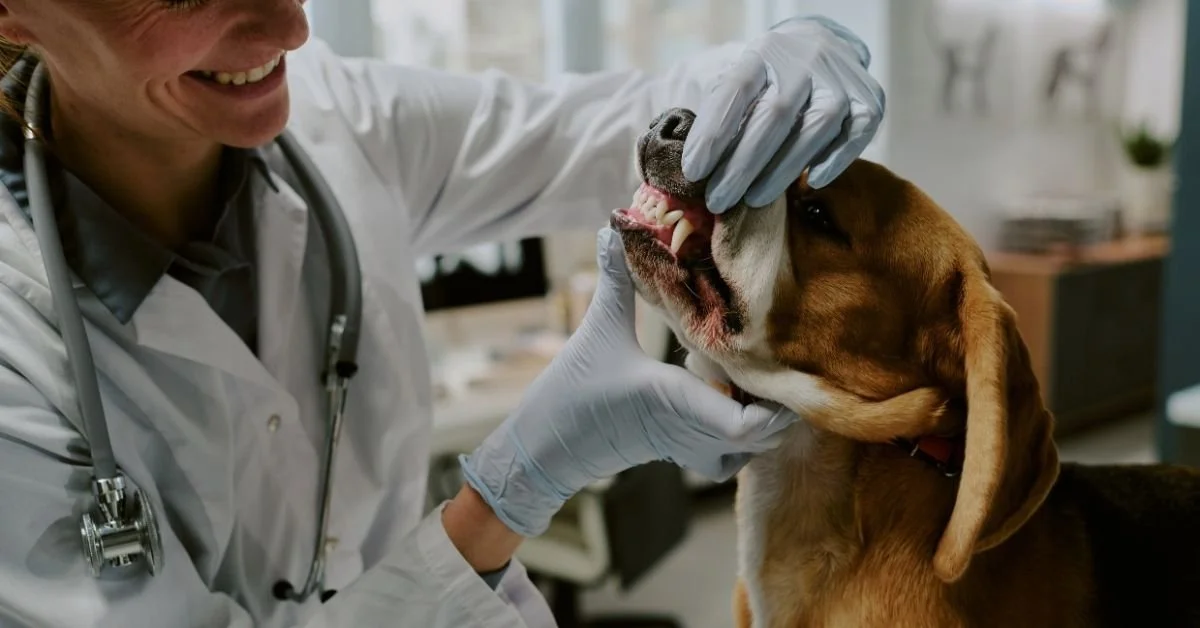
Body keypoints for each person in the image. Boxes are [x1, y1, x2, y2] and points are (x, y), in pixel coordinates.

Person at [0, 2, 884, 627]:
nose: (288, 29)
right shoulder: (17, 338)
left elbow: (594, 126)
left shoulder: (341, 117)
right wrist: (510, 492)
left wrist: (775, 67)